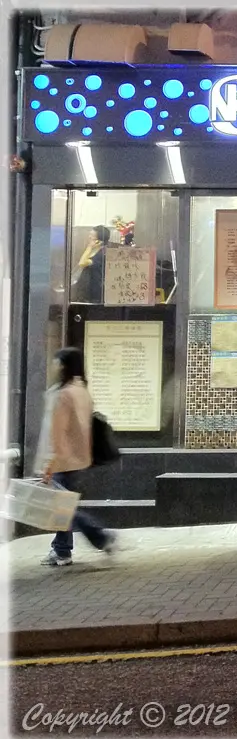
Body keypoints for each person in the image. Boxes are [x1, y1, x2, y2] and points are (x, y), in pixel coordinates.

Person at [36, 347, 117, 566]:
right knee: (63, 506)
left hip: (63, 460)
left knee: (64, 507)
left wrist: (50, 463)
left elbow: (58, 433)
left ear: (64, 366)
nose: (53, 367)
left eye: (56, 362)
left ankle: (100, 537)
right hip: (79, 458)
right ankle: (62, 549)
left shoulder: (64, 395)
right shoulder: (82, 391)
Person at [72, 225, 111, 304]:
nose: (89, 237)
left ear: (99, 241)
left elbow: (82, 263)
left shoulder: (101, 254)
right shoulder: (94, 250)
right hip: (87, 290)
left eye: (92, 236)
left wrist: (89, 247)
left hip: (95, 293)